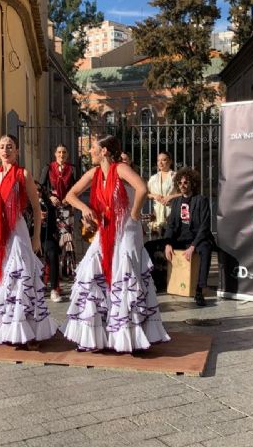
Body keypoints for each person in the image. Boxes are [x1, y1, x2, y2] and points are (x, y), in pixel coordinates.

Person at [62, 135, 170, 352]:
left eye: (93, 148)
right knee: (92, 272)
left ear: (104, 151)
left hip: (126, 229)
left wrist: (135, 213)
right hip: (106, 228)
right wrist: (85, 209)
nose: (89, 151)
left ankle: (130, 335)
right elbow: (70, 195)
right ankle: (98, 333)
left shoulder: (120, 169)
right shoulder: (94, 173)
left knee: (126, 277)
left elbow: (141, 188)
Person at [0, 135, 57, 346]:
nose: (5, 150)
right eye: (1, 147)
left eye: (9, 147)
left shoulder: (22, 174)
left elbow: (36, 208)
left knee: (18, 275)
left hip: (17, 229)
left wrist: (36, 238)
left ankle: (21, 326)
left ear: (17, 151)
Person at [162, 168, 215, 307]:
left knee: (205, 249)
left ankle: (199, 288)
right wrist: (168, 243)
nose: (183, 185)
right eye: (180, 183)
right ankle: (162, 283)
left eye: (186, 182)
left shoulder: (201, 200)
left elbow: (205, 226)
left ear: (193, 183)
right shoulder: (176, 202)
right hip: (181, 239)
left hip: (198, 239)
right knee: (152, 246)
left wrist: (193, 246)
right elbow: (171, 225)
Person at [39, 144, 75, 300]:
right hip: (52, 210)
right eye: (59, 152)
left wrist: (70, 196)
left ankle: (64, 275)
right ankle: (52, 280)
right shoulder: (48, 168)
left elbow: (77, 186)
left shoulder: (72, 169)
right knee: (53, 244)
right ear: (55, 154)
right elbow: (40, 187)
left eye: (64, 152)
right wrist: (50, 197)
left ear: (67, 155)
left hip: (67, 210)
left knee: (66, 244)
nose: (62, 154)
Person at [147, 151, 179, 235]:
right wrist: (154, 195)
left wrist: (171, 197)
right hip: (157, 214)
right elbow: (146, 193)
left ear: (170, 161)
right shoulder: (153, 178)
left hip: (172, 212)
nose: (160, 163)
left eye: (164, 160)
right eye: (158, 160)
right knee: (159, 242)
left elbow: (184, 193)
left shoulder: (176, 176)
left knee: (172, 239)